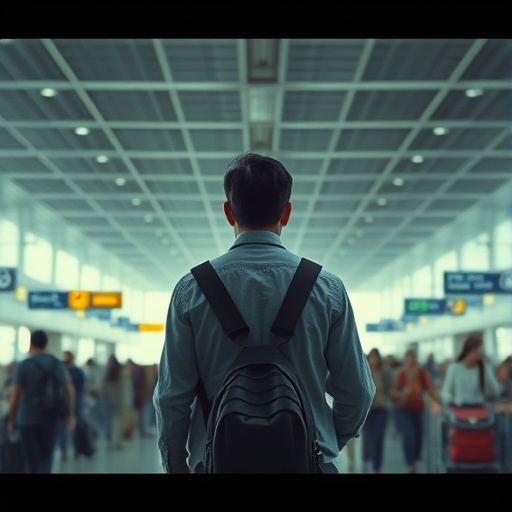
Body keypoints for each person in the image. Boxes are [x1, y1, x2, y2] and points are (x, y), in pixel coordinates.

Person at [153, 152, 376, 474]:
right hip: (308, 463)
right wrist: (321, 444)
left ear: (229, 212)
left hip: (216, 461)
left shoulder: (192, 288)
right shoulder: (327, 288)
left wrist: (176, 466)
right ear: (286, 212)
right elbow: (358, 391)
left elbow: (172, 397)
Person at [7, 329, 75, 473]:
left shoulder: (24, 365)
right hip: (51, 417)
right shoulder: (57, 365)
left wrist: (11, 419)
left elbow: (15, 396)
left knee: (31, 460)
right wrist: (70, 414)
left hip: (27, 419)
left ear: (31, 344)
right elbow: (69, 390)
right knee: (47, 457)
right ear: (46, 344)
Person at [390, 348, 439, 473]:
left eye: (413, 359)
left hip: (418, 409)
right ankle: (410, 463)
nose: (411, 362)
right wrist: (403, 393)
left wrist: (435, 401)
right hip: (404, 409)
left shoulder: (422, 374)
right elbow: (393, 392)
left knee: (418, 435)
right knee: (409, 434)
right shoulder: (400, 374)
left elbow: (430, 390)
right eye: (408, 359)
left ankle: (415, 456)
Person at [440, 335, 501, 407]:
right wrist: (450, 401)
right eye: (475, 352)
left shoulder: (485, 369)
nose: (477, 356)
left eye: (479, 353)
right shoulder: (454, 369)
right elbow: (446, 392)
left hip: (479, 408)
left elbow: (496, 389)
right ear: (468, 351)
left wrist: (489, 395)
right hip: (459, 409)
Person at [362, 347, 394, 473]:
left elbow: (389, 388)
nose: (374, 359)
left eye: (376, 357)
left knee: (378, 436)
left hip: (381, 408)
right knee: (367, 437)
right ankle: (366, 459)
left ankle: (377, 465)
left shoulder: (384, 372)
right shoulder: (364, 371)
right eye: (372, 357)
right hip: (367, 410)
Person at [55, 350, 86, 460]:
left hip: (75, 403)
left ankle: (77, 448)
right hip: (63, 404)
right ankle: (64, 449)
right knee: (61, 427)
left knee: (75, 426)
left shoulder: (77, 372)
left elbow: (79, 390)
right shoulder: (61, 371)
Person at [103, 354, 134, 450]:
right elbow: (128, 389)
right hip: (121, 400)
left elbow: (104, 388)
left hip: (110, 400)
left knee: (112, 421)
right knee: (119, 422)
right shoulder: (123, 373)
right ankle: (118, 441)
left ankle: (113, 441)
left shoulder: (108, 374)